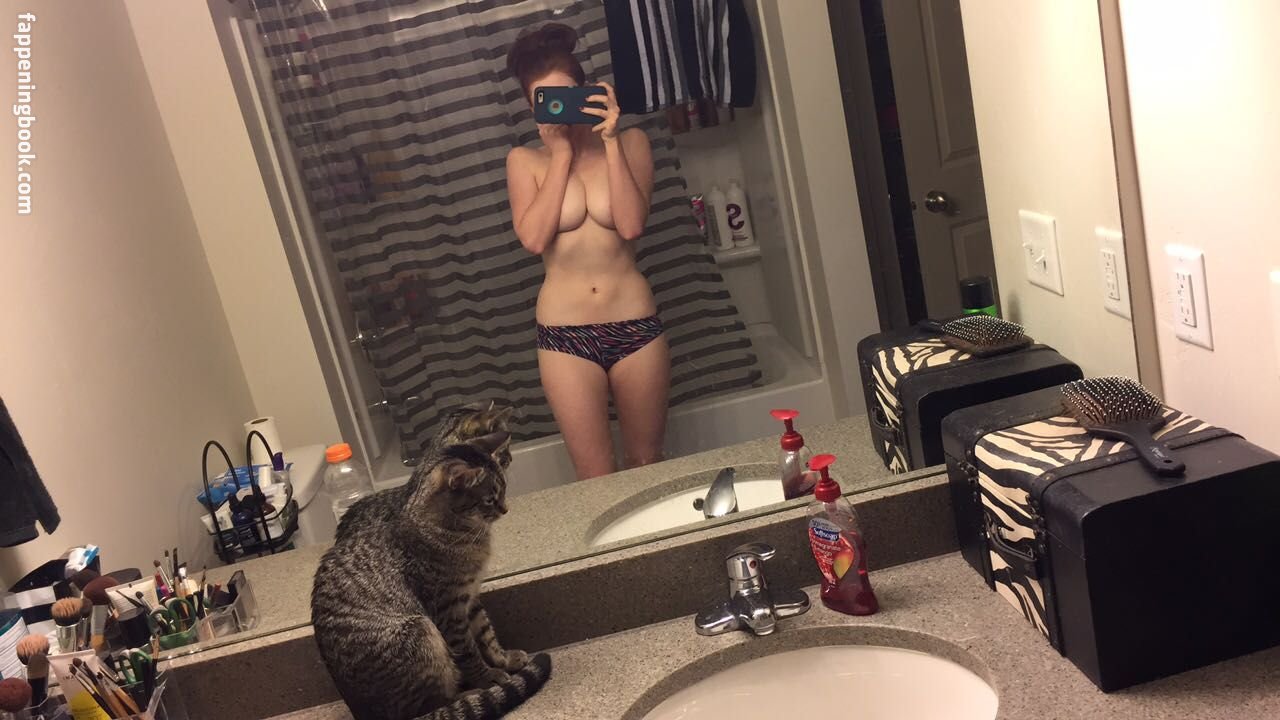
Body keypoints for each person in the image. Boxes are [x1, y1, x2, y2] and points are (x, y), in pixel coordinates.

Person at [504, 23, 669, 480]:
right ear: (531, 107)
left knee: (647, 466)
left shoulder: (631, 142)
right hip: (564, 335)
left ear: (588, 92)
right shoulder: (525, 161)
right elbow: (534, 239)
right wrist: (559, 154)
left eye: (567, 96)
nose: (559, 109)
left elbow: (631, 225)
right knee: (594, 477)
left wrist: (610, 139)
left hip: (635, 325)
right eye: (545, 100)